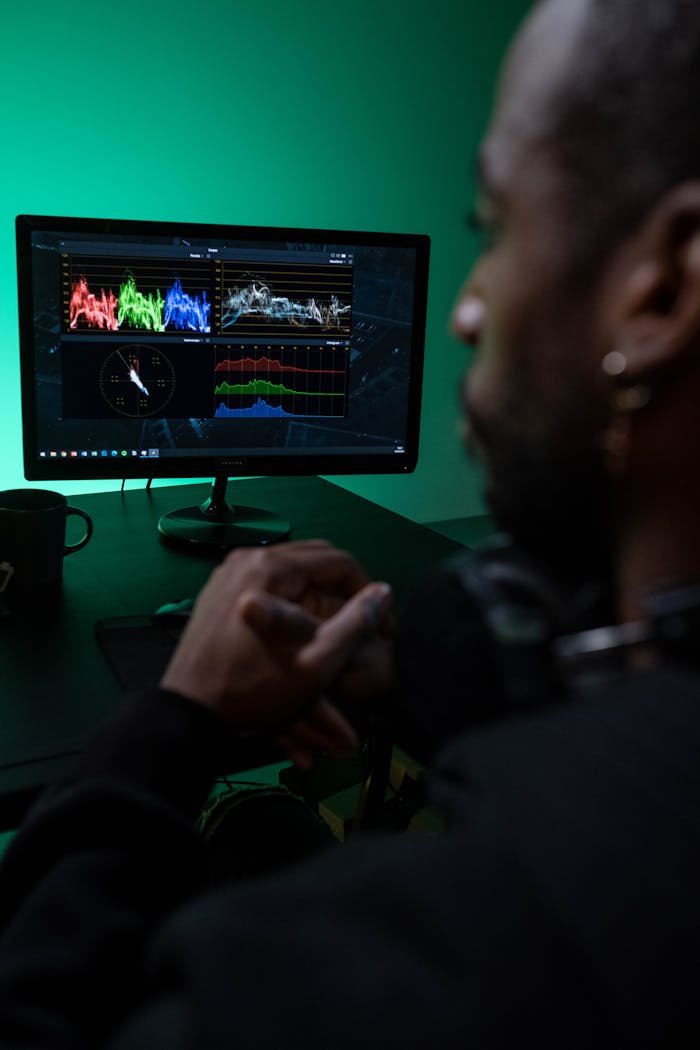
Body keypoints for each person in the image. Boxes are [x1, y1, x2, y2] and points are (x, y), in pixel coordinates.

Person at [2, 0, 700, 1043]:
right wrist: (420, 682)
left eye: (496, 229)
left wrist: (174, 719)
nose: (465, 309)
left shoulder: (419, 950)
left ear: (664, 288)